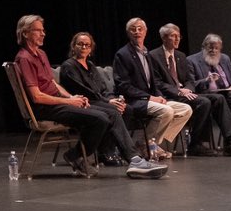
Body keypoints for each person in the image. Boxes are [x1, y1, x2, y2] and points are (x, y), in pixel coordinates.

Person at [14, 15, 165, 179]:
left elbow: (52, 83)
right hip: (46, 108)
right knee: (100, 118)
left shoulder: (41, 54)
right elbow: (37, 96)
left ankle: (134, 159)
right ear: (25, 33)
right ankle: (77, 155)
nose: (43, 34)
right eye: (38, 30)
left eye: (43, 30)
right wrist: (69, 101)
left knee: (113, 112)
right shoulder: (24, 58)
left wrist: (73, 97)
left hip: (59, 103)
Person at [58, 32, 168, 178]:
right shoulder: (69, 66)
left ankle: (109, 150)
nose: (84, 47)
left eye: (87, 45)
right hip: (81, 103)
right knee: (112, 111)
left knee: (126, 109)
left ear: (91, 49)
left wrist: (113, 99)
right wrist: (108, 102)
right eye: (80, 44)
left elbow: (103, 89)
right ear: (73, 46)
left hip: (98, 101)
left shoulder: (90, 65)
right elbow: (85, 92)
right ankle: (133, 158)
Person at [149, 24, 231, 157]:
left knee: (218, 99)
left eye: (179, 36)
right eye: (173, 36)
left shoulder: (180, 55)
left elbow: (189, 80)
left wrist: (187, 89)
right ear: (164, 38)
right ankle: (196, 144)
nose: (177, 39)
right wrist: (179, 91)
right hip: (170, 95)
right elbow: (157, 83)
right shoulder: (154, 56)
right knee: (204, 102)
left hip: (186, 93)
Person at [113, 17, 192, 158]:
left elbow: (153, 82)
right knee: (166, 111)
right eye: (133, 29)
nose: (137, 32)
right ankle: (148, 145)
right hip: (134, 101)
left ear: (145, 32)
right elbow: (123, 85)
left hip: (151, 99)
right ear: (128, 33)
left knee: (185, 109)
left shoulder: (146, 53)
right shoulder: (123, 54)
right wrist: (150, 97)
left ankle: (149, 143)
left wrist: (158, 96)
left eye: (140, 29)